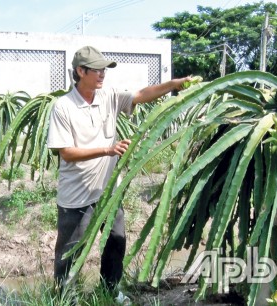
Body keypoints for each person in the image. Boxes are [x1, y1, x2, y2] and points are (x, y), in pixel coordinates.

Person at [47, 45, 192, 297]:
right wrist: (107, 150)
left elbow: (140, 94)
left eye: (104, 70)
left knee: (116, 242)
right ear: (81, 71)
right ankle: (63, 298)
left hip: (108, 191)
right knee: (69, 253)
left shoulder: (108, 96)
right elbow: (66, 152)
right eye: (97, 70)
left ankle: (109, 291)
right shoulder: (64, 107)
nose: (103, 74)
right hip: (75, 197)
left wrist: (172, 84)